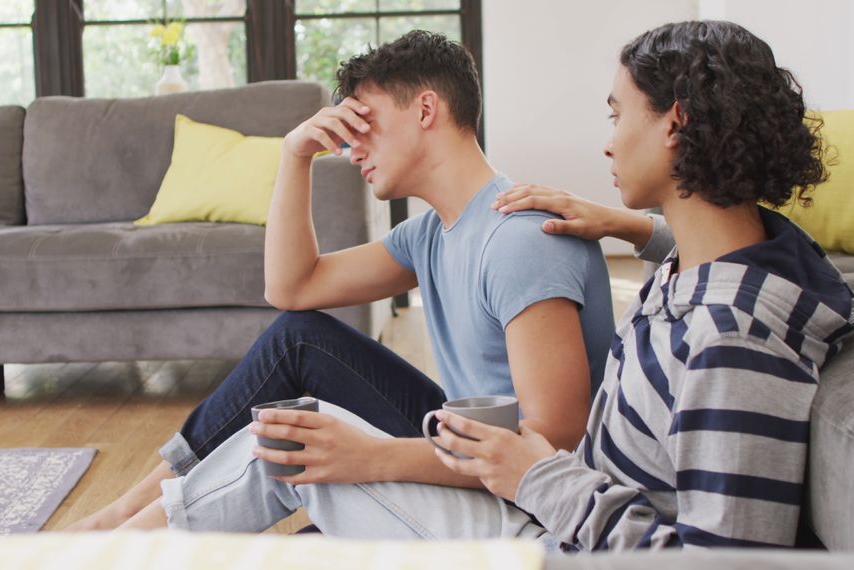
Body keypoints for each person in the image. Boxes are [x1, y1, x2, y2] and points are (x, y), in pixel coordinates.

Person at [114, 20, 854, 551]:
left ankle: (86, 551)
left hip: (549, 525)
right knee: (294, 427)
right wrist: (624, 224)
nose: (604, 139)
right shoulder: (706, 272)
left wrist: (522, 471)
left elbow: (712, 548)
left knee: (277, 448)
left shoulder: (729, 338)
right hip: (546, 495)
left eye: (617, 113)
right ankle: (120, 530)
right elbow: (295, 287)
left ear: (677, 123)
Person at [68, 30, 614, 531]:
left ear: (426, 109)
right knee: (299, 337)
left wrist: (367, 456)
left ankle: (125, 528)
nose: (351, 147)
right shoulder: (430, 234)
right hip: (469, 451)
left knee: (306, 532)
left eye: (364, 122)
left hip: (531, 501)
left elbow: (554, 440)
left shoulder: (520, 240)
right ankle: (127, 512)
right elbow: (293, 290)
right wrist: (294, 156)